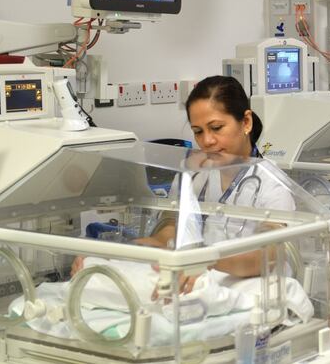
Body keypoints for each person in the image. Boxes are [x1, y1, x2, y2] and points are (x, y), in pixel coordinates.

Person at [72, 76, 293, 290]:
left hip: (255, 293)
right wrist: (141, 247)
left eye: (216, 128)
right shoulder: (194, 174)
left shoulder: (272, 185)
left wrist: (201, 259)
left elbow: (266, 255)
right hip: (200, 282)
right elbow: (171, 226)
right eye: (198, 132)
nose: (207, 141)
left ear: (246, 122)